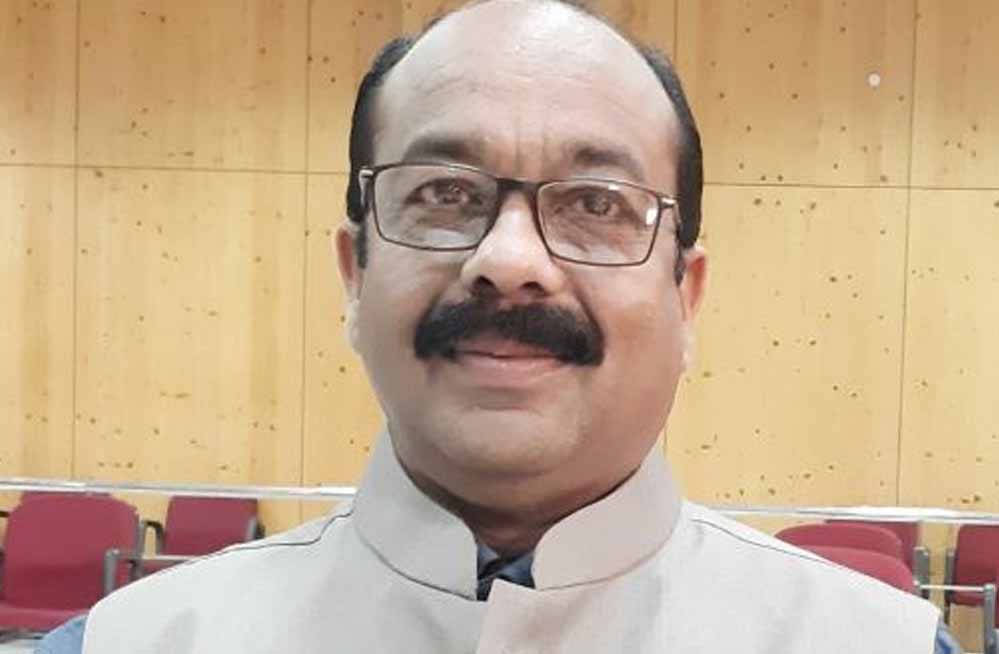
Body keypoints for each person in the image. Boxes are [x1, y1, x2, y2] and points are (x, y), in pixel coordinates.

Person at [38, 1, 943, 652]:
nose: (509, 260)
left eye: (596, 203)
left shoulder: (875, 643)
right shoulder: (134, 641)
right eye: (444, 193)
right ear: (354, 274)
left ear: (686, 297)